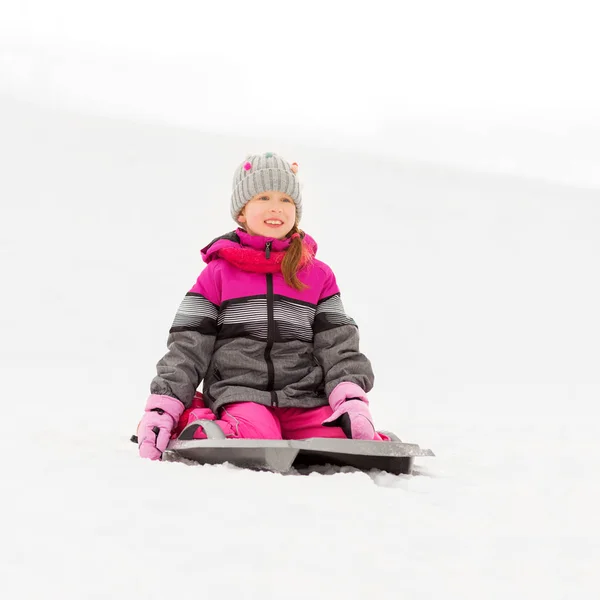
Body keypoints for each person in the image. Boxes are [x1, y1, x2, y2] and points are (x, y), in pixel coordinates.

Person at [138, 153, 388, 460]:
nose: (275, 207)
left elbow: (338, 345)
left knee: (344, 438)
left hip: (303, 399)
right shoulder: (217, 274)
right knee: (258, 436)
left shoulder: (318, 275)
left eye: (286, 199)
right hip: (240, 394)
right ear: (241, 212)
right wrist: (165, 405)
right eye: (263, 197)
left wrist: (350, 400)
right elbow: (188, 346)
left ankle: (321, 429)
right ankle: (196, 420)